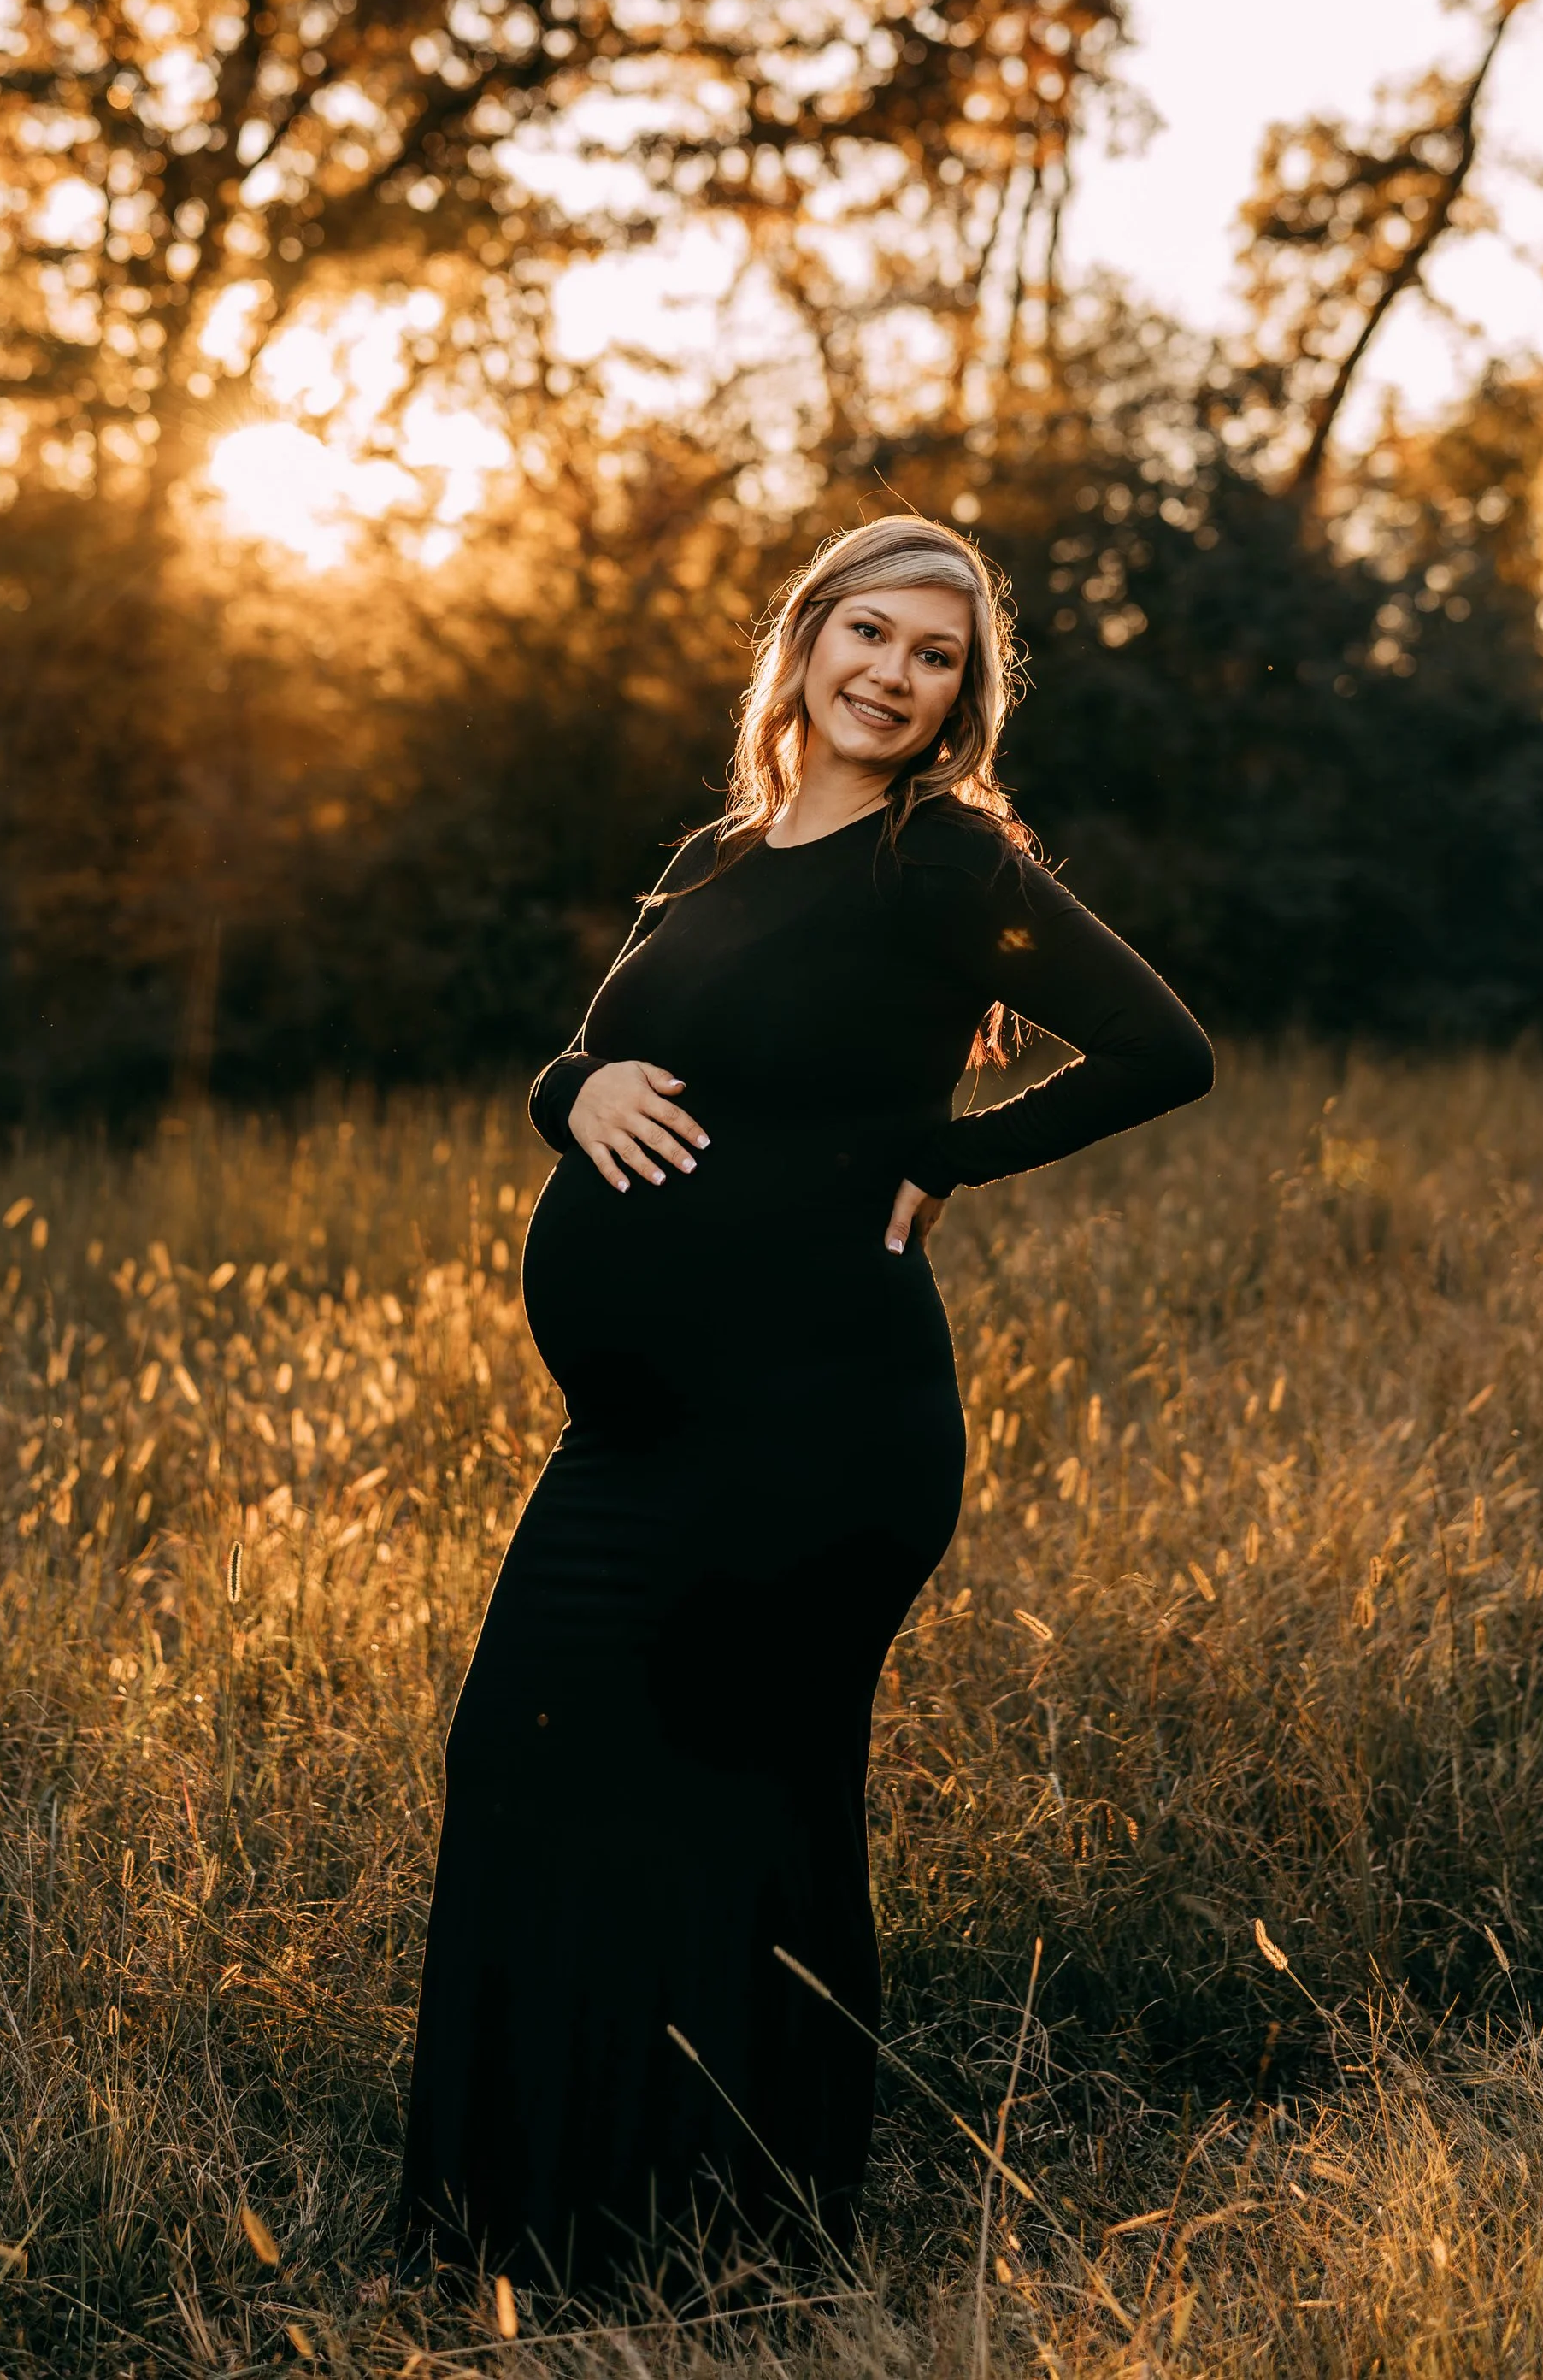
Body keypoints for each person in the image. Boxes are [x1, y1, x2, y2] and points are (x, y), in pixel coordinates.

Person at [398, 515, 1212, 2290]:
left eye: (933, 657)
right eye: (867, 632)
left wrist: (952, 1151)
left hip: (814, 1432)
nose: (891, 675)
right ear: (806, 641)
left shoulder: (939, 865)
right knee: (527, 1766)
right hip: (633, 1436)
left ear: (958, 698)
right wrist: (571, 1090)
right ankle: (530, 2216)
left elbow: (1163, 1048)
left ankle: (728, 2235)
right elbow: (589, 1050)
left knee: (730, 1801)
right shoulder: (715, 849)